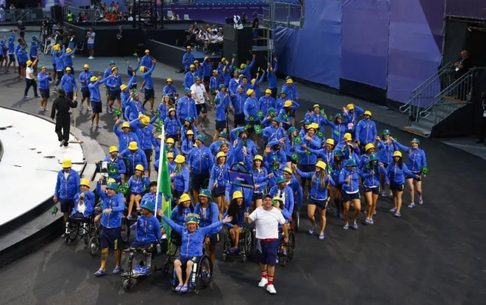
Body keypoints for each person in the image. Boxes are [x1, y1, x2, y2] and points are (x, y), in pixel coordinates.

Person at [161, 213, 231, 293]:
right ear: (187, 225)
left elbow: (212, 226)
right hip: (184, 255)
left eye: (193, 224)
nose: (191, 226)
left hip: (195, 255)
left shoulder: (201, 231)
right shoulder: (183, 230)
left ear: (196, 224)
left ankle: (186, 284)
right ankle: (180, 282)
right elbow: (173, 224)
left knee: (189, 263)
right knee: (176, 262)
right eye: (189, 224)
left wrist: (223, 221)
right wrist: (163, 216)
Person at [247, 195, 287, 295]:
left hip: (272, 240)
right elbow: (249, 220)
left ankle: (270, 284)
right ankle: (264, 277)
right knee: (262, 261)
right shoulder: (258, 210)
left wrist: (286, 236)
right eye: (265, 200)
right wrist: (246, 216)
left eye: (269, 200)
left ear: (271, 202)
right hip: (260, 241)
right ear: (263, 202)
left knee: (271, 262)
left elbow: (284, 224)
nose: (267, 202)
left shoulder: (276, 211)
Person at [294, 161, 333, 239]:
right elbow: (303, 174)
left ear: (322, 169)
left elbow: (334, 184)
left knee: (322, 216)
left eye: (318, 167)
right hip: (313, 198)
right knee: (310, 215)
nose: (317, 167)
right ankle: (314, 225)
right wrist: (296, 168)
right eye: (317, 166)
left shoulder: (326, 177)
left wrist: (330, 178)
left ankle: (322, 231)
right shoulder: (313, 174)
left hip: (322, 199)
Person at [94, 182, 125, 277]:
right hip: (105, 227)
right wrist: (99, 182)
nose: (109, 191)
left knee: (116, 249)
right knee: (104, 249)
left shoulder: (119, 197)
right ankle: (102, 268)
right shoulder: (105, 197)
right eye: (108, 189)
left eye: (111, 189)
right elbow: (98, 191)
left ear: (115, 190)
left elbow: (122, 207)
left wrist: (111, 209)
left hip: (115, 228)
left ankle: (118, 265)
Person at [130, 201, 161, 275]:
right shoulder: (140, 219)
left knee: (145, 250)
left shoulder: (155, 220)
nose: (142, 210)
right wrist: (132, 227)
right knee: (132, 249)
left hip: (150, 240)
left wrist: (159, 241)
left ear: (149, 210)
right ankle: (136, 266)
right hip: (140, 240)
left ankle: (147, 266)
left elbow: (158, 232)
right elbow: (134, 227)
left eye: (144, 209)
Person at [395, 138, 427, 207]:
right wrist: (394, 140)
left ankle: (420, 196)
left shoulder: (421, 152)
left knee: (418, 189)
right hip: (409, 171)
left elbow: (424, 162)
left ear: (418, 144)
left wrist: (424, 171)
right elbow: (401, 146)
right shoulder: (409, 150)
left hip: (418, 172)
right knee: (411, 188)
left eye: (415, 143)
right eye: (412, 143)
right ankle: (412, 202)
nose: (414, 144)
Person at [387, 151, 419, 217]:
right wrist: (387, 180)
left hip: (400, 183)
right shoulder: (391, 164)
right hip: (392, 182)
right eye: (395, 156)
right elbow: (386, 172)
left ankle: (398, 211)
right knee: (394, 196)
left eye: (398, 157)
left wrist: (415, 176)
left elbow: (408, 172)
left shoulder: (402, 165)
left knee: (399, 196)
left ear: (400, 157)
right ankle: (395, 207)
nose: (396, 158)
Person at [53, 159, 80, 229]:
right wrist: (56, 195)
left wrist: (78, 196)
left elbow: (78, 186)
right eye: (65, 168)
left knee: (73, 212)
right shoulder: (60, 174)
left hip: (73, 198)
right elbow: (58, 184)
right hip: (63, 197)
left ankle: (75, 228)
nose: (66, 169)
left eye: (67, 168)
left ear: (70, 167)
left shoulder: (75, 174)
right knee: (65, 213)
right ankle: (67, 229)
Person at [194, 189, 219, 262]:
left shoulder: (213, 206)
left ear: (208, 198)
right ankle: (202, 266)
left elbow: (214, 222)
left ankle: (210, 266)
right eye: (200, 196)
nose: (202, 198)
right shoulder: (198, 206)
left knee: (212, 248)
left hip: (212, 229)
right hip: (201, 229)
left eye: (204, 196)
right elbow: (194, 217)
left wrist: (208, 236)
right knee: (200, 248)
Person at [361, 154, 386, 224]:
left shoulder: (378, 166)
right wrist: (369, 174)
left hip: (376, 186)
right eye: (373, 160)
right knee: (369, 203)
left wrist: (382, 167)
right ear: (370, 161)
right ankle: (367, 216)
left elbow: (386, 173)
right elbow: (362, 174)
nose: (374, 161)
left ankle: (370, 217)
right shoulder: (367, 165)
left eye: (375, 160)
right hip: (368, 185)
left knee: (374, 204)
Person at [339, 159, 361, 230]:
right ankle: (346, 222)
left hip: (355, 191)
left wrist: (370, 174)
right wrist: (345, 180)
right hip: (346, 191)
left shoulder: (357, 170)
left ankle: (354, 221)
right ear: (348, 166)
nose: (353, 167)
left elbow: (363, 174)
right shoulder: (344, 171)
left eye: (354, 166)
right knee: (346, 209)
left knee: (358, 208)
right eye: (352, 166)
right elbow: (340, 180)